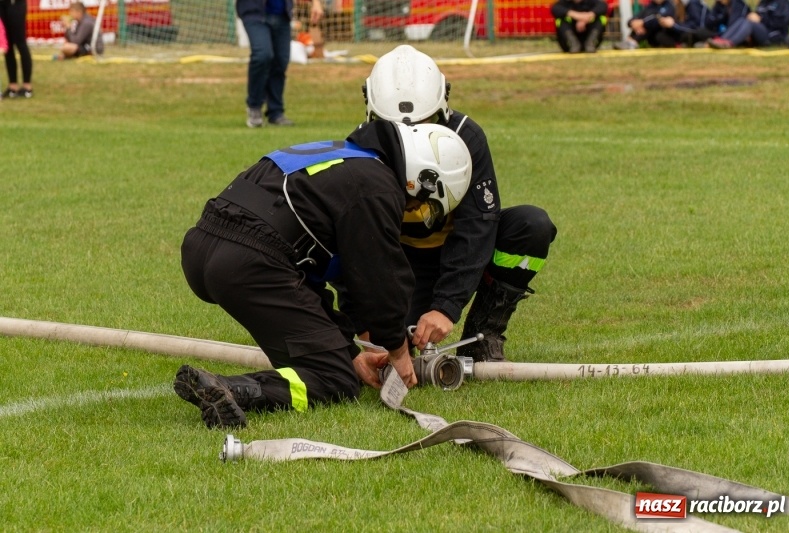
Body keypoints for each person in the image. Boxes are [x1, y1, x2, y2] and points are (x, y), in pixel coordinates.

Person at [174, 120, 472, 428]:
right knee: (336, 380)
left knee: (339, 364)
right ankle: (230, 388)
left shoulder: (347, 159)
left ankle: (305, 369)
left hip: (205, 248)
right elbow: (379, 279)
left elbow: (303, 273)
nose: (412, 211)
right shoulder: (378, 187)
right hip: (249, 264)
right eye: (423, 205)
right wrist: (398, 351)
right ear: (422, 179)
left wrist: (351, 352)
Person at [341, 45, 558, 365]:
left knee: (532, 226)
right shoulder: (360, 146)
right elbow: (355, 243)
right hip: (401, 263)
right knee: (395, 348)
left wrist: (446, 307)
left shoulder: (467, 137)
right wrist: (366, 326)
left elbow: (478, 224)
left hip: (455, 249)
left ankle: (484, 335)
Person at [237, 0, 323, 128]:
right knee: (262, 55)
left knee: (280, 61)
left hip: (282, 15)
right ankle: (254, 107)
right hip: (255, 13)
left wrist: (316, 3)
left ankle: (275, 112)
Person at [707, 0, 789, 48]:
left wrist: (761, 19)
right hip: (761, 31)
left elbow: (780, 23)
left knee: (749, 23)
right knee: (742, 20)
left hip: (774, 35)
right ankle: (721, 40)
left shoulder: (781, 2)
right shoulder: (763, 3)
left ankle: (729, 43)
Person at [613, 0, 681, 49]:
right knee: (644, 25)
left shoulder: (669, 6)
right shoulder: (649, 6)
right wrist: (632, 23)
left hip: (666, 35)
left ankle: (632, 42)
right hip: (651, 36)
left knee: (651, 24)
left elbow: (658, 19)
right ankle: (630, 42)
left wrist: (643, 23)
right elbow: (635, 18)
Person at [0, 0, 34, 98]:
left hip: (16, 3)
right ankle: (12, 86)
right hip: (2, 3)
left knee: (20, 43)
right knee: (7, 44)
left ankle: (27, 86)